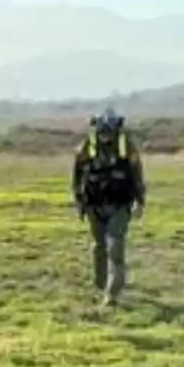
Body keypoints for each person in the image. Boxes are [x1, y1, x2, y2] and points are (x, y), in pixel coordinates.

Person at [71, 108, 146, 307]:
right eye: (102, 132)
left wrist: (140, 202)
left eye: (109, 132)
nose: (106, 136)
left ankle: (113, 292)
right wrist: (79, 202)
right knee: (99, 247)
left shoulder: (127, 147)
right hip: (94, 205)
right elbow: (77, 177)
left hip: (120, 205)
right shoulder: (86, 148)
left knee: (115, 248)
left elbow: (138, 176)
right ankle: (101, 284)